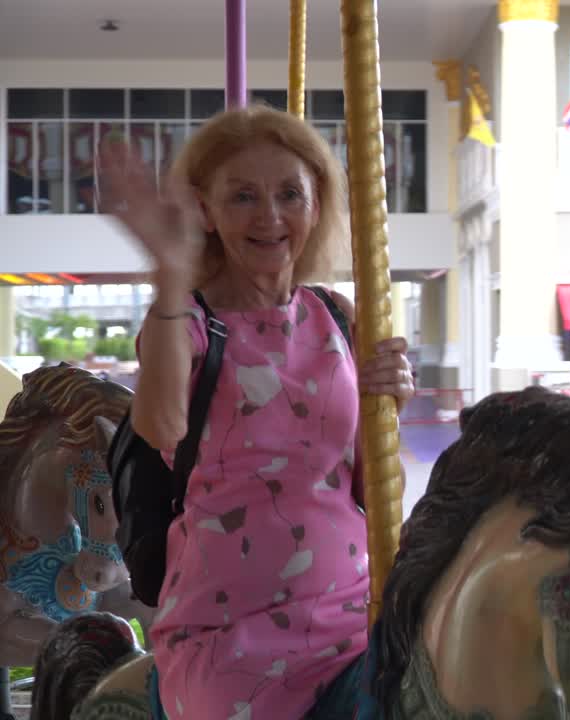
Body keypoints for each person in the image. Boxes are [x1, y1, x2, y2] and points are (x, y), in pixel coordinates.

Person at [101, 104, 417, 720]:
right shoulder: (188, 323)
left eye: (289, 194)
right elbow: (161, 426)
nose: (270, 217)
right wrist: (169, 274)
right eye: (242, 196)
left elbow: (364, 487)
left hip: (354, 612)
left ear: (316, 206)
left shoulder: (337, 316)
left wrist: (390, 405)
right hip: (228, 630)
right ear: (206, 213)